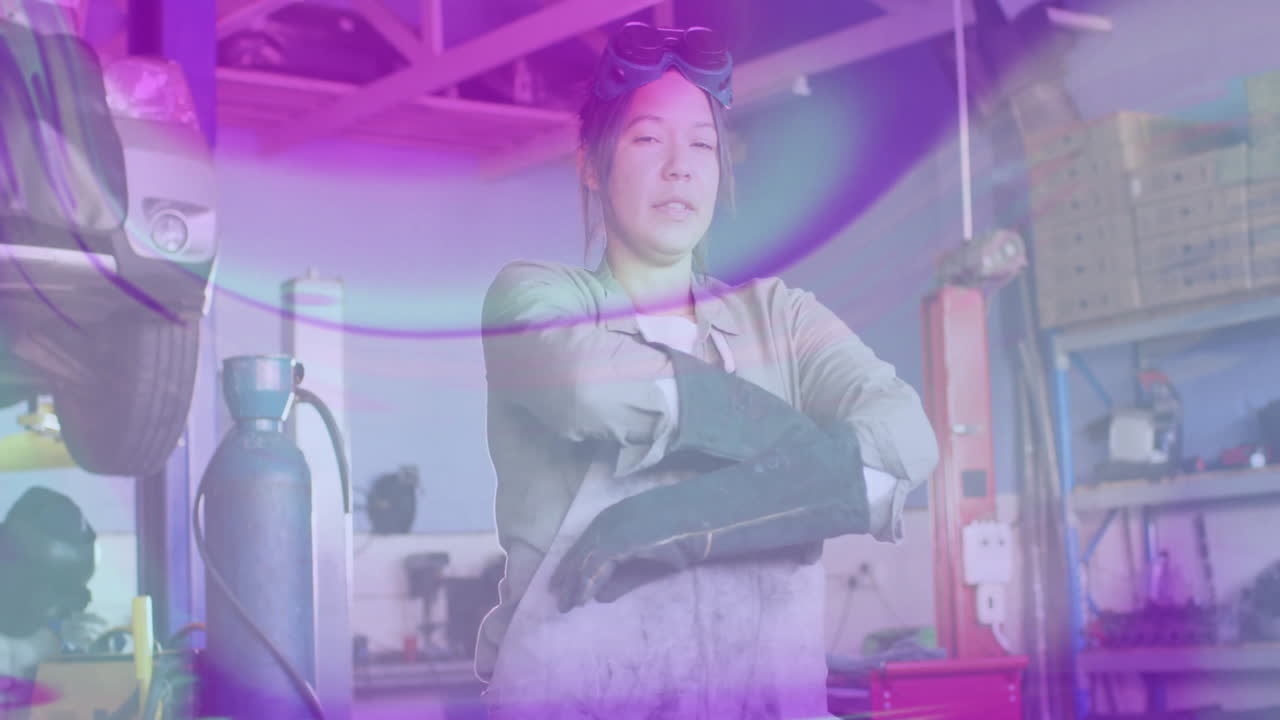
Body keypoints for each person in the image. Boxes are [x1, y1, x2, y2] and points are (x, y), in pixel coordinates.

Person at [476, 21, 939, 719]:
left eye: (702, 144)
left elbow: (907, 439)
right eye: (646, 139)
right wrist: (807, 460)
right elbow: (584, 388)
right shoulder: (536, 297)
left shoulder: (780, 318)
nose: (680, 167)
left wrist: (687, 519)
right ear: (591, 164)